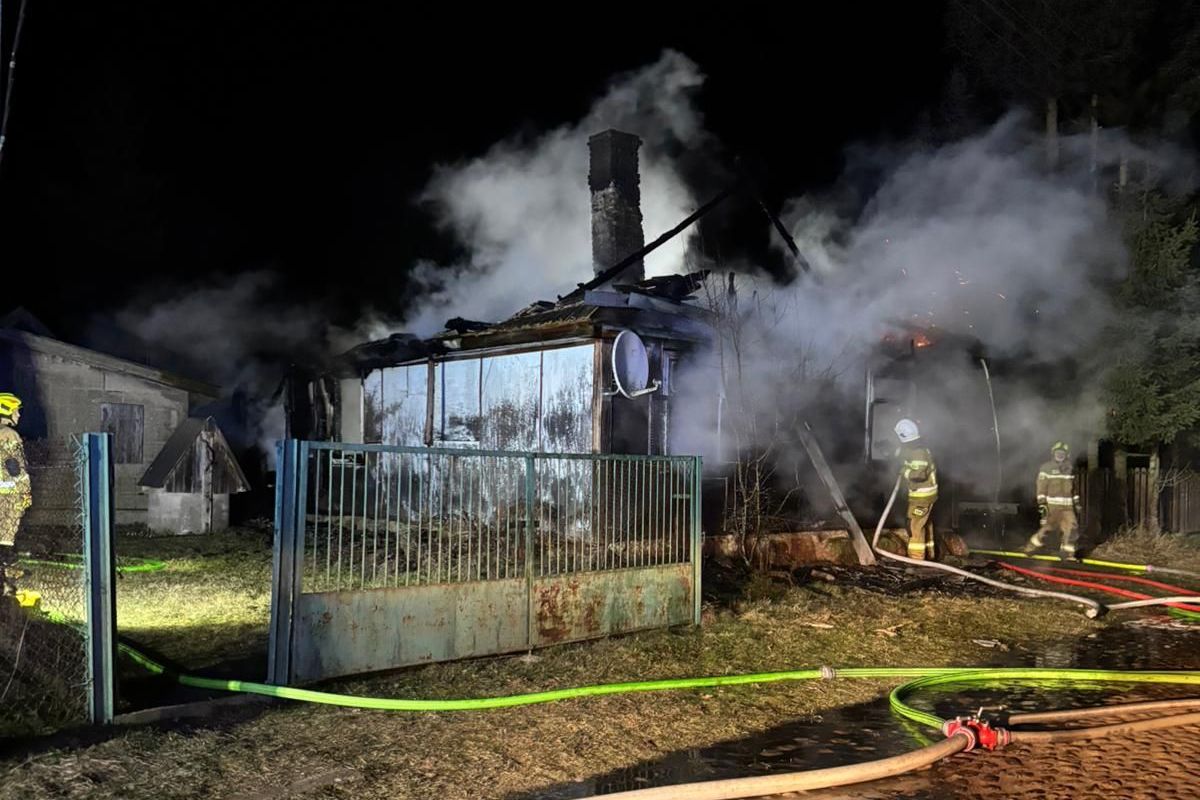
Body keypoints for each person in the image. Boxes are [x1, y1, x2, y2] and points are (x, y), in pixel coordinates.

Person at [1024, 441, 1081, 560]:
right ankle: (1032, 546)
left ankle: (1067, 553)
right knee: (1048, 529)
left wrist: (1076, 502)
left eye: (1062, 453)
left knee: (1072, 528)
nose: (1060, 455)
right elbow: (1041, 487)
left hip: (1068, 507)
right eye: (1058, 452)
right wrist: (1042, 503)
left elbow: (1074, 488)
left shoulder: (1070, 468)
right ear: (1053, 453)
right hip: (1052, 506)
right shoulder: (1046, 468)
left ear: (1067, 455)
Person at [0, 393, 31, 595]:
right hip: (9, 497)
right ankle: (5, 582)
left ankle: (5, 579)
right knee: (5, 540)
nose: (18, 414)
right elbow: (15, 467)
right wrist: (25, 492)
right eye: (16, 410)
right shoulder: (9, 435)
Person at [895, 418, 938, 561]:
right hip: (924, 496)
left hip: (922, 497)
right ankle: (930, 555)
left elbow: (919, 474)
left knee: (915, 527)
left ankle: (916, 559)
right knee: (925, 524)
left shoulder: (918, 453)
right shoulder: (918, 449)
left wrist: (904, 472)